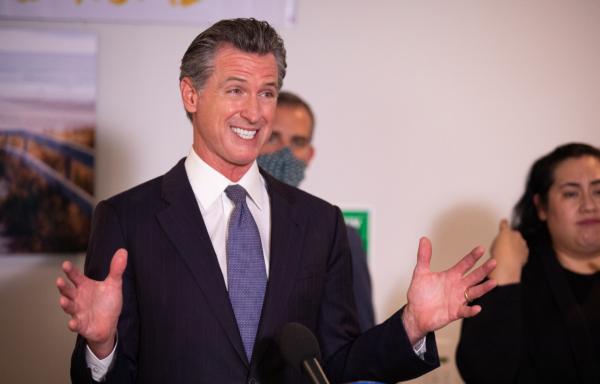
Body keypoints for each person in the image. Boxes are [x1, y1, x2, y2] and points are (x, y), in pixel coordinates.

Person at [56, 18, 496, 384]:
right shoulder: (128, 219)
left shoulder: (320, 223)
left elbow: (337, 364)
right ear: (191, 94)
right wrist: (102, 346)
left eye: (267, 93)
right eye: (235, 90)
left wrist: (411, 326)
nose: (255, 112)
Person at [456, 143, 600, 383]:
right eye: (571, 193)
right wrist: (505, 272)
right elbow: (483, 374)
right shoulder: (516, 271)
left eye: (598, 191)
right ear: (541, 207)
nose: (589, 205)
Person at [257, 90, 376, 332]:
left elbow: (357, 341)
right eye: (273, 138)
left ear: (309, 155)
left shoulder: (338, 236)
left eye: (297, 142)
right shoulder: (220, 218)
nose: (285, 153)